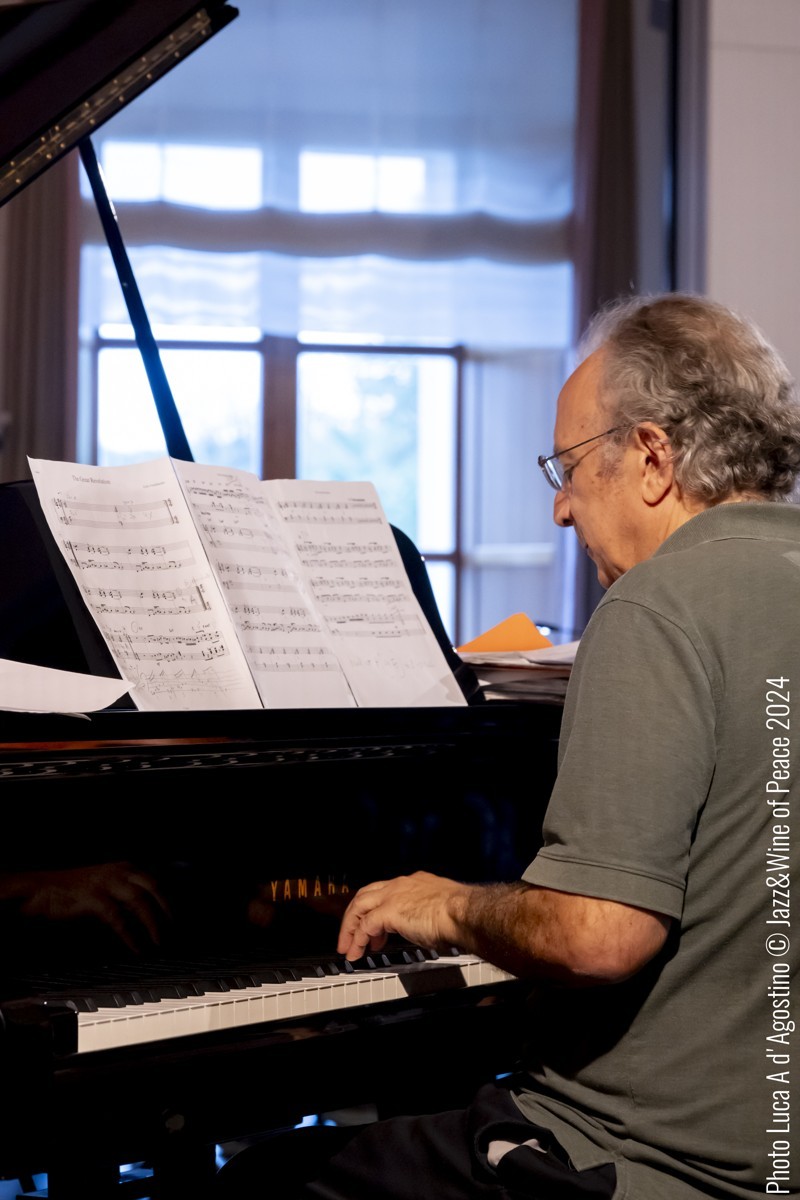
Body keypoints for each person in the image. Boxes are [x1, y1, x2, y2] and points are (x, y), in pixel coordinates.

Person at [216, 292, 800, 1199]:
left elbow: (599, 937)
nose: (562, 509)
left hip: (650, 1162)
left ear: (652, 457)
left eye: (569, 466)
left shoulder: (656, 607)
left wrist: (448, 904)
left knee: (262, 1179)